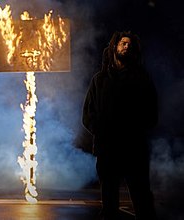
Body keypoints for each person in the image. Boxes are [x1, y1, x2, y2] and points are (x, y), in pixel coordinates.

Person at [82, 31, 158, 220]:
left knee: (141, 197)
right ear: (114, 47)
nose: (126, 46)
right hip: (107, 148)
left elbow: (152, 110)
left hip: (134, 148)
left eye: (129, 44)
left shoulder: (141, 78)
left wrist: (137, 130)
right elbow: (88, 113)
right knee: (109, 200)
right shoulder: (99, 80)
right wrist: (100, 131)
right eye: (123, 43)